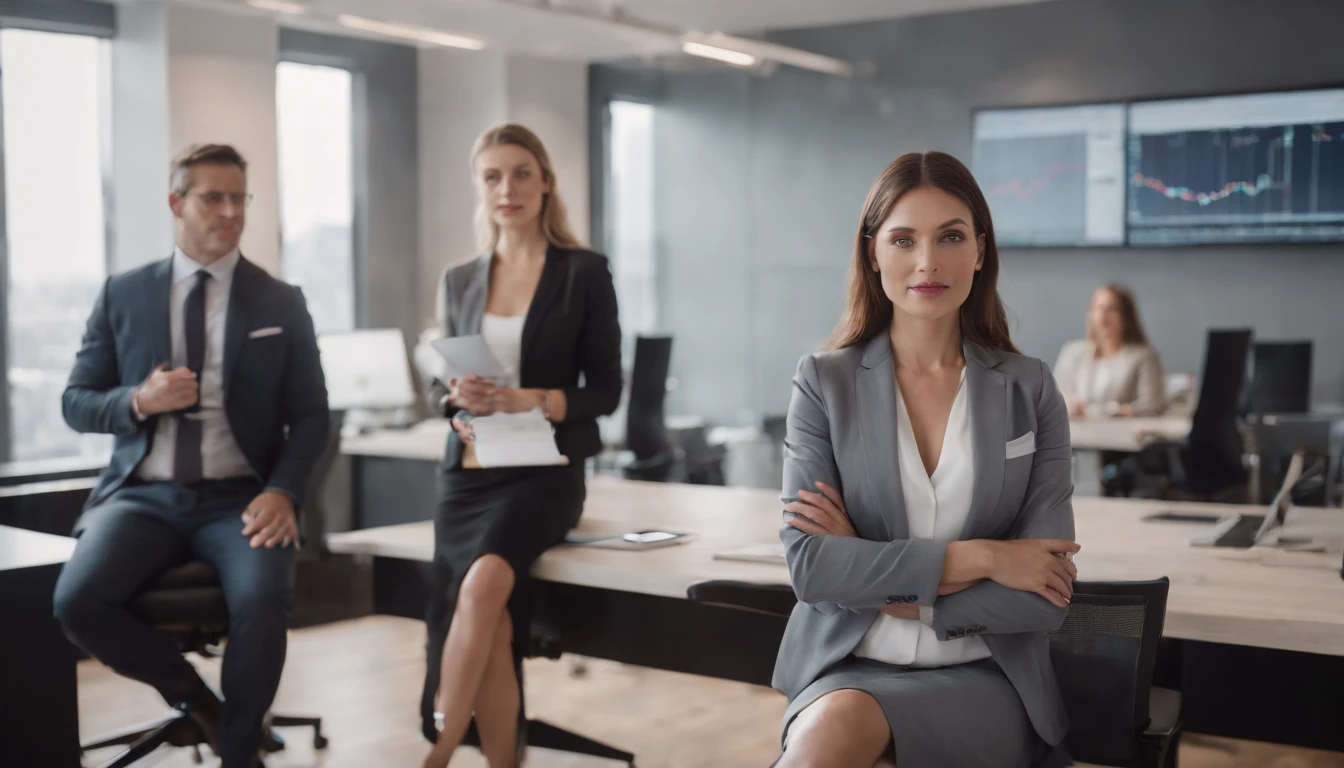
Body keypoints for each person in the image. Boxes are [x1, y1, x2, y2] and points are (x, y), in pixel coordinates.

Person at [771, 151, 1079, 768]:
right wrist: (987, 558)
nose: (928, 262)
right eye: (904, 239)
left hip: (989, 678)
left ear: (981, 251)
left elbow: (1040, 594)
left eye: (951, 237)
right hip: (846, 668)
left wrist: (867, 569)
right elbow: (812, 568)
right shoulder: (822, 383)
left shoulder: (1031, 388)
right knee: (835, 726)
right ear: (872, 252)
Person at [54, 144, 330, 768]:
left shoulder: (281, 302)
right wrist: (140, 401)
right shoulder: (123, 293)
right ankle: (198, 701)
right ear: (177, 203)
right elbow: (75, 402)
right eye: (213, 197)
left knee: (262, 602)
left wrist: (284, 491)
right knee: (77, 601)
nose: (230, 211)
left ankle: (239, 754)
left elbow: (313, 415)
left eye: (240, 199)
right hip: (142, 496)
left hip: (241, 496)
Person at [419, 123, 622, 768]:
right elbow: (439, 388)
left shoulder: (583, 273)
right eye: (492, 176)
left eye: (520, 173)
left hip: (543, 474)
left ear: (544, 182)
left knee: (482, 590)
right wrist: (456, 403)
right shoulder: (459, 280)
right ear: (479, 188)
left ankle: (440, 751)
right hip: (468, 475)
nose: (507, 188)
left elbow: (607, 392)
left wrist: (531, 399)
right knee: (496, 623)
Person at [1054, 283, 1166, 419]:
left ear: (1126, 317)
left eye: (1112, 309)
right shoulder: (1073, 352)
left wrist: (1101, 412)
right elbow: (1055, 397)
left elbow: (1153, 405)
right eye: (1097, 308)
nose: (1103, 314)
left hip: (1121, 435)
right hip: (1076, 434)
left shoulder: (1143, 357)